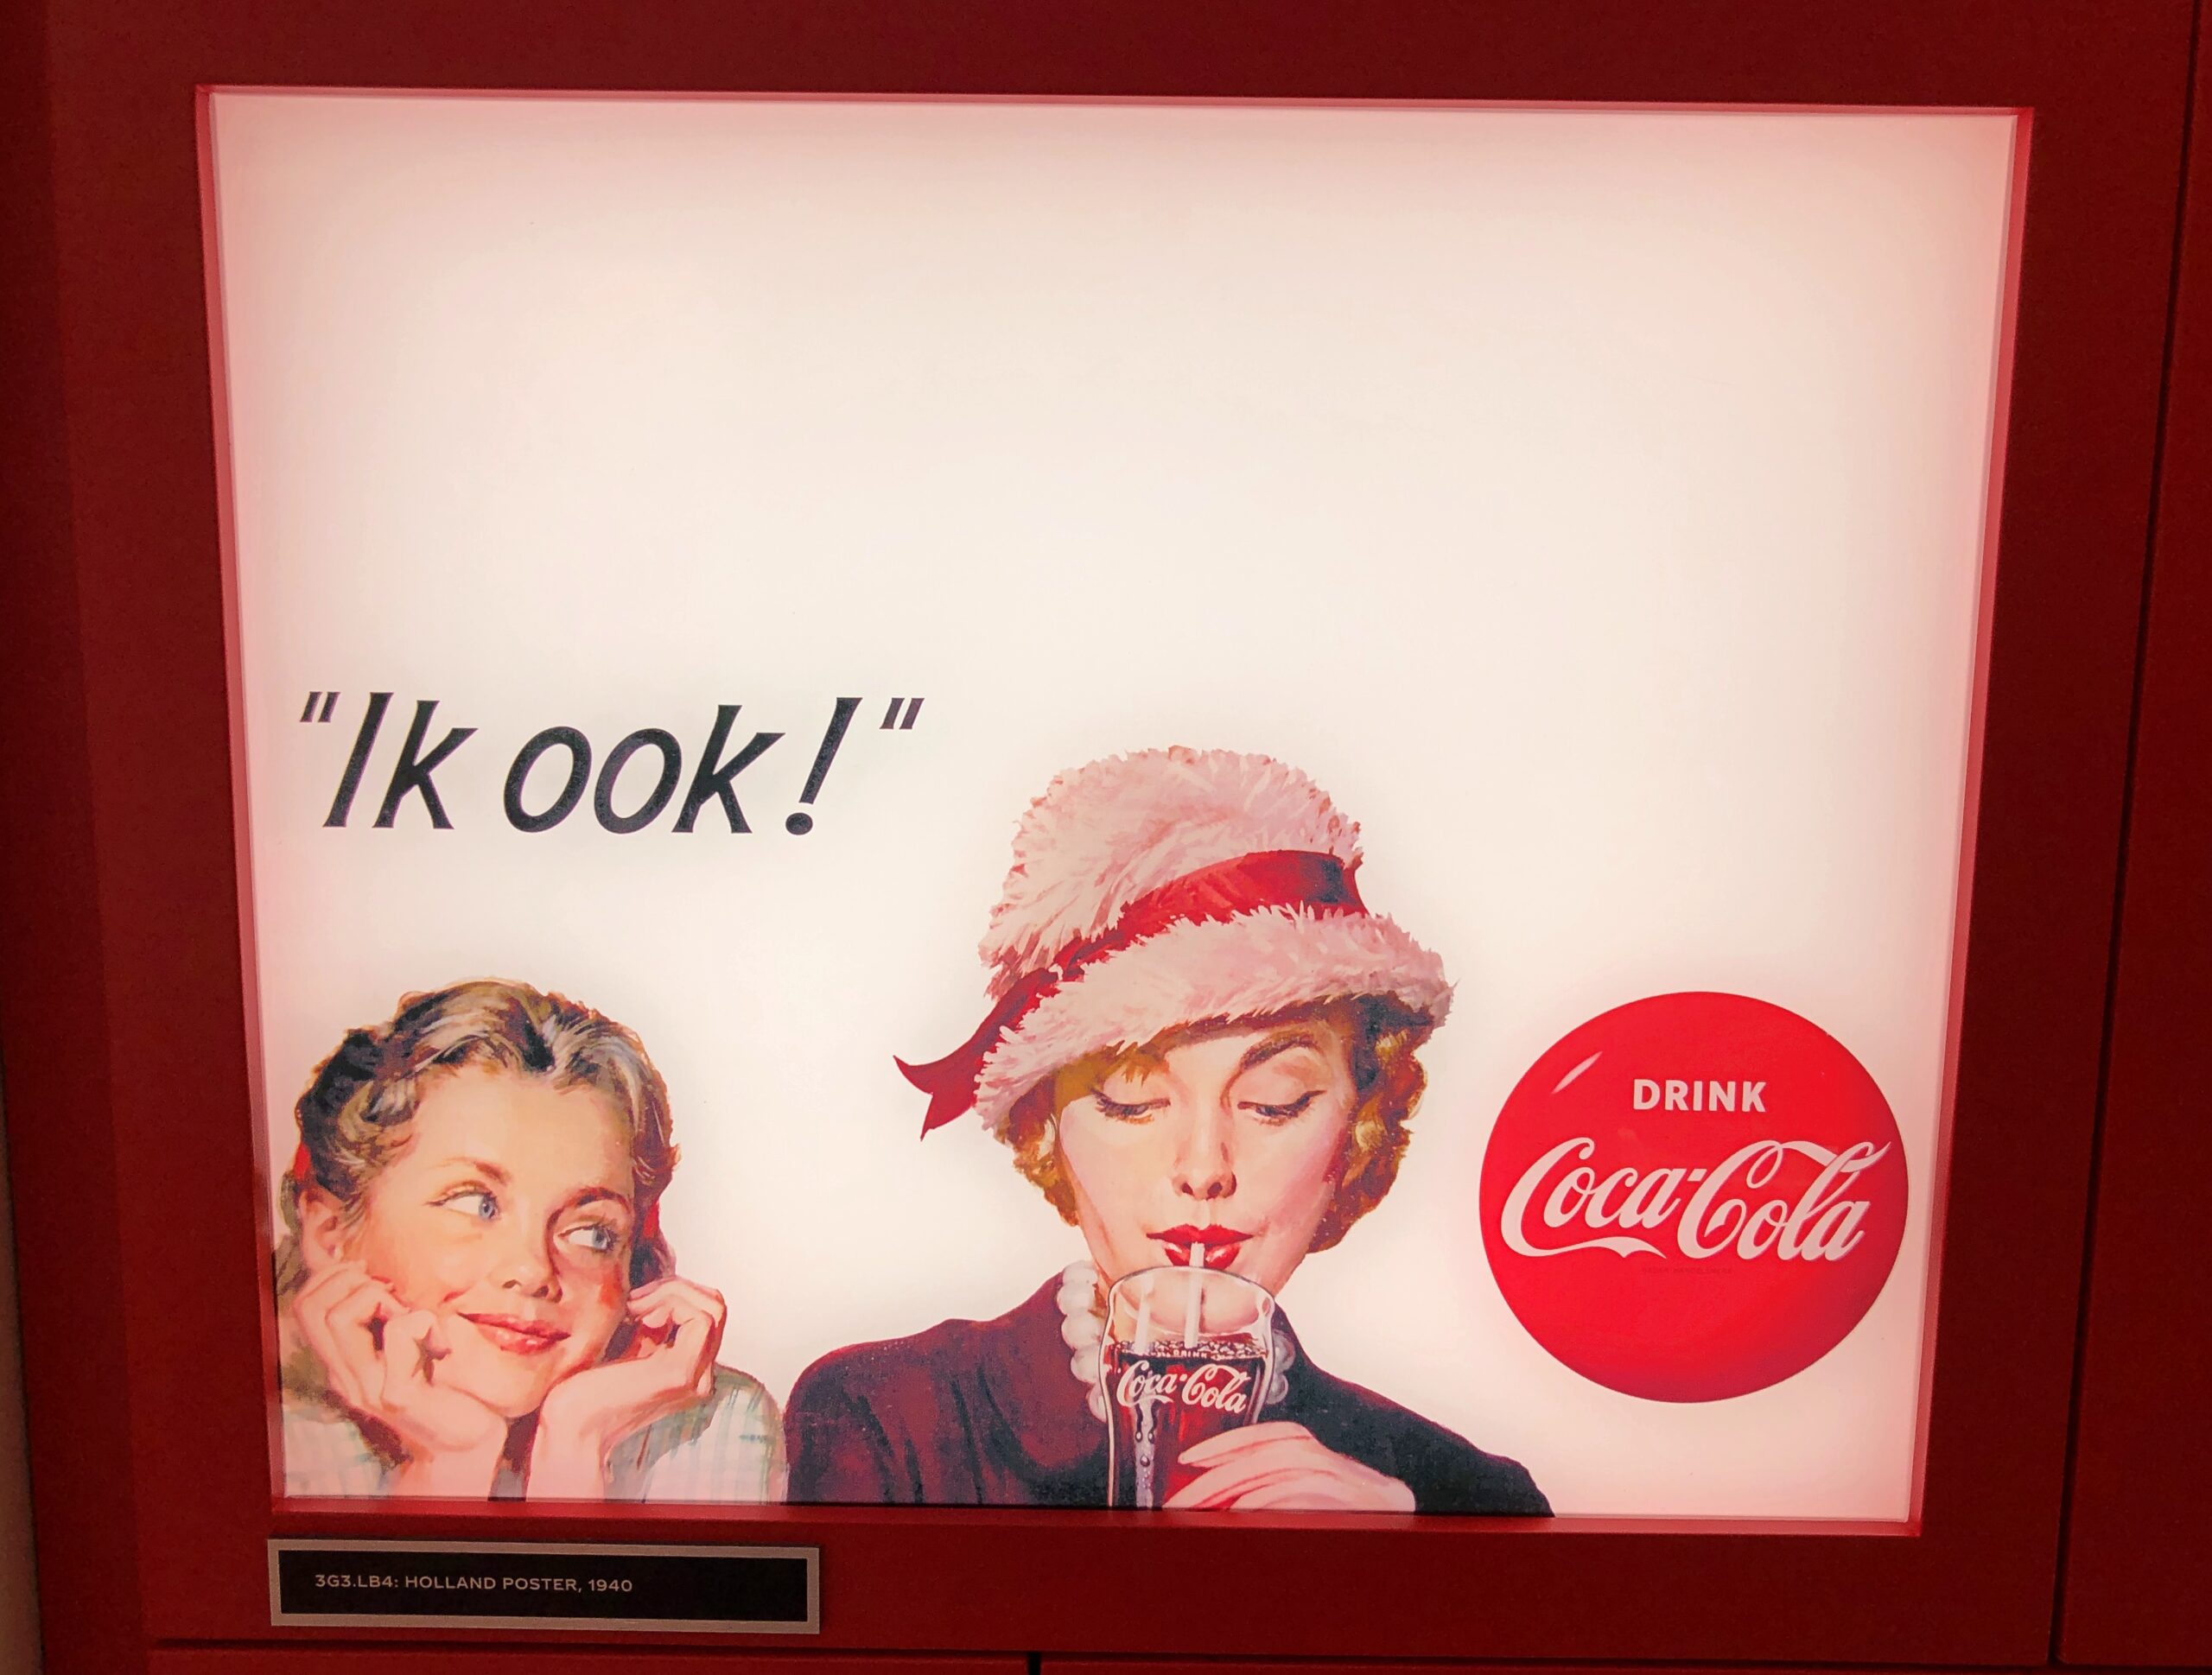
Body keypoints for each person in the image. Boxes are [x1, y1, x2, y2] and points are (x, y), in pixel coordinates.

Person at [784, 747, 1548, 1513]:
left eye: (1274, 1101)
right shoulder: (887, 1415)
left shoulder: (1464, 1493)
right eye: (1133, 1098)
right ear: (1046, 1123)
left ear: (1359, 1127)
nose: (1204, 1167)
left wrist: (1399, 1562)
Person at [274, 978, 784, 1501]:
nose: (534, 1270)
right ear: (332, 1235)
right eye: (476, 1204)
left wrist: (576, 1444)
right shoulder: (274, 1441)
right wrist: (451, 1461)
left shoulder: (711, 1424)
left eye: (591, 1232)